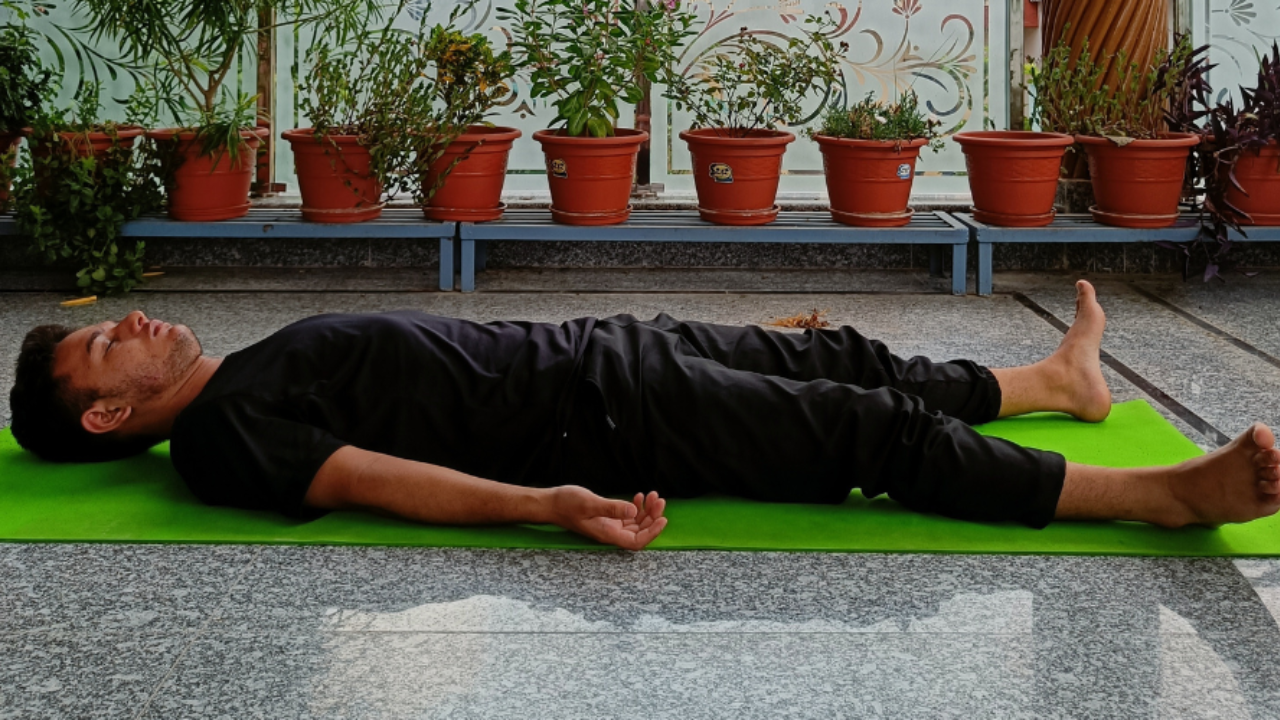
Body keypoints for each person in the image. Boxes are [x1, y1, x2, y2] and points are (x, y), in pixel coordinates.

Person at [8, 281, 1280, 550]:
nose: (128, 321)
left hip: (608, 350)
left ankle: (1059, 387)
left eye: (108, 315)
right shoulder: (225, 439)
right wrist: (546, 508)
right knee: (863, 436)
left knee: (838, 356)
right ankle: (1160, 494)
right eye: (102, 346)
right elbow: (373, 479)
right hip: (602, 422)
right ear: (112, 416)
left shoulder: (238, 377)